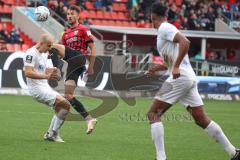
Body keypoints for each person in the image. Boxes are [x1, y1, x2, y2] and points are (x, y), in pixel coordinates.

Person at [147, 3, 240, 160]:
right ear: (166, 15)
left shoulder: (164, 27)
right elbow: (171, 60)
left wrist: (175, 67)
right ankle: (234, 153)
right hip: (187, 77)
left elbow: (185, 42)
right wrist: (158, 68)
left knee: (153, 114)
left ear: (151, 16)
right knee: (201, 119)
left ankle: (161, 158)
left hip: (181, 77)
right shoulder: (164, 30)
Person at [49, 5, 97, 134]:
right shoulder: (65, 34)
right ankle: (89, 120)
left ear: (78, 15)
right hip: (72, 65)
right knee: (68, 96)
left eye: (72, 14)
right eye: (68, 14)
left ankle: (56, 70)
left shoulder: (83, 29)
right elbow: (62, 52)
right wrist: (52, 55)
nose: (69, 16)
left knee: (52, 45)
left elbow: (93, 48)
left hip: (79, 58)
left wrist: (91, 66)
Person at [24, 34, 70, 142]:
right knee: (65, 104)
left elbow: (49, 72)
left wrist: (55, 75)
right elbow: (28, 72)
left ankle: (51, 134)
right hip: (36, 89)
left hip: (45, 86)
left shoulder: (46, 54)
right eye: (48, 46)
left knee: (64, 108)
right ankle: (53, 134)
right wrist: (46, 76)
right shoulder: (31, 53)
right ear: (41, 43)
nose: (50, 48)